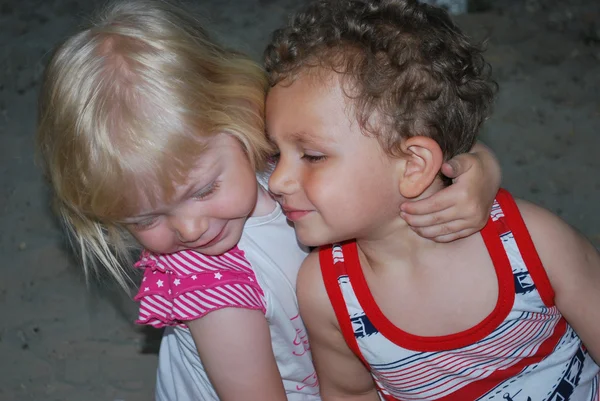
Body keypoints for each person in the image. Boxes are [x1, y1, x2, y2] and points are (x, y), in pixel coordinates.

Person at [36, 0, 501, 400]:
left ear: (240, 118)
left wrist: (478, 168)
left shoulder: (280, 156)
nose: (190, 230)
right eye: (146, 217)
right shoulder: (214, 293)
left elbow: (393, 157)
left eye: (204, 190)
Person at [265, 0, 600, 400]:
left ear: (413, 166)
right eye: (276, 154)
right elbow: (350, 394)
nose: (278, 181)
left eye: (312, 156)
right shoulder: (326, 291)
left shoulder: (534, 243)